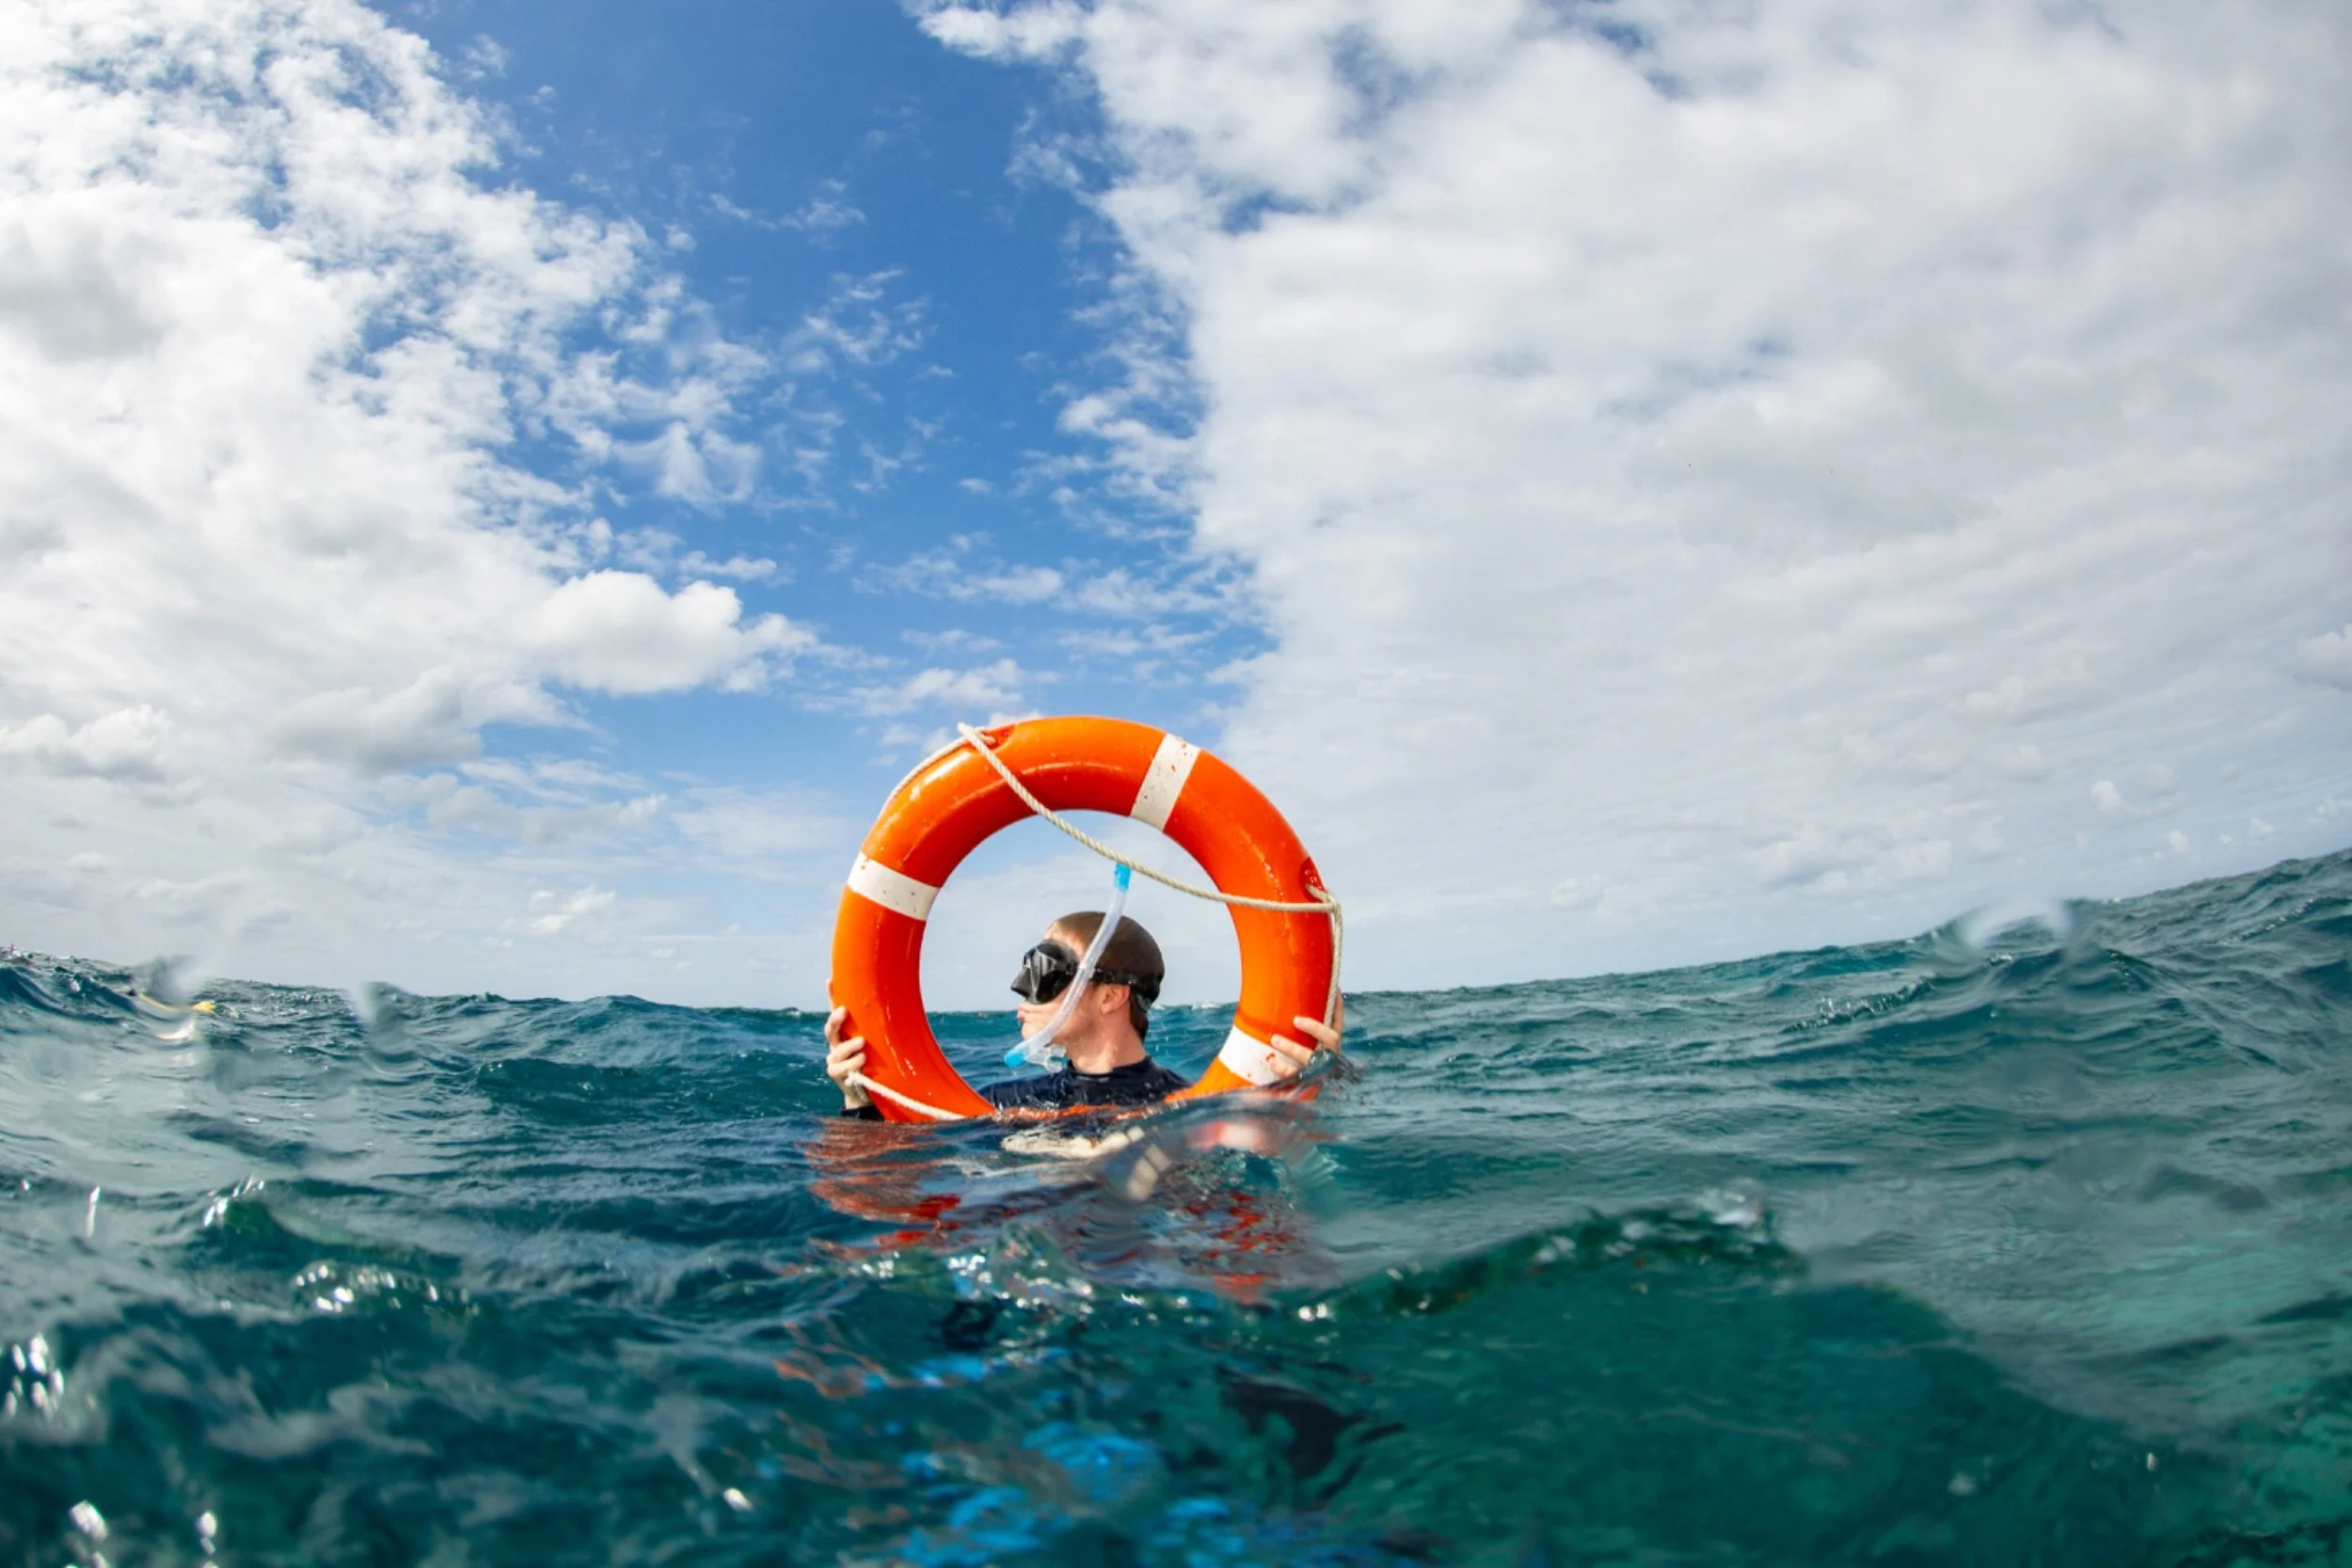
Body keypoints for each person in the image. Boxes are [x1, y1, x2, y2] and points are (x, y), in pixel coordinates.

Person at [825, 909, 1343, 1117]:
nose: (1021, 992)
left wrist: (1317, 1086)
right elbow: (884, 1182)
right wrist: (858, 1100)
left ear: (1110, 996)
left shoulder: (1190, 1106)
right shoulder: (1001, 1103)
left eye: (1044, 970)